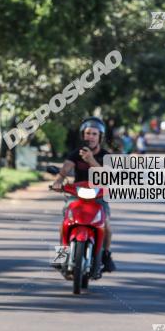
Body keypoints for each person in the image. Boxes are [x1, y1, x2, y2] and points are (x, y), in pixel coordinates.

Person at [50, 117, 116, 273]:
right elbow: (63, 172)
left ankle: (106, 256)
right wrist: (58, 182)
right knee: (65, 222)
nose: (91, 137)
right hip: (77, 194)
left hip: (99, 196)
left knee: (106, 225)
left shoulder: (106, 155)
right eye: (88, 133)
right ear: (83, 136)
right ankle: (61, 256)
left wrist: (92, 161)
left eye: (94, 134)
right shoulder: (75, 154)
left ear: (100, 137)